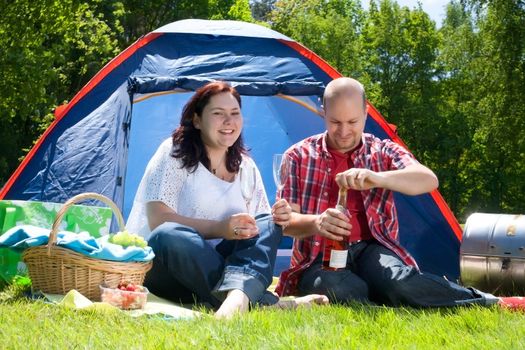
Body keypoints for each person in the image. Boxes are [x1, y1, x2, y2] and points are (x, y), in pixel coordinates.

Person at [275, 77, 525, 310]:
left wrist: (377, 178)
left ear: (365, 113)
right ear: (323, 112)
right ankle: (381, 294)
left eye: (352, 122)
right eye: (335, 122)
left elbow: (428, 180)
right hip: (319, 256)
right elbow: (286, 224)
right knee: (336, 287)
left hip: (372, 249)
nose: (343, 132)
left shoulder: (381, 150)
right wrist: (317, 223)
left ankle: (490, 302)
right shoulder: (298, 155)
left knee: (400, 281)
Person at [127, 81, 327, 319]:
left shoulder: (246, 167)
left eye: (234, 114)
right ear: (197, 120)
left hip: (225, 267)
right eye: (218, 114)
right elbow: (158, 220)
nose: (229, 121)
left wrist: (279, 219)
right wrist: (221, 228)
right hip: (171, 267)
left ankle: (236, 301)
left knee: (266, 222)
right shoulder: (174, 153)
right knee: (169, 234)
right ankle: (261, 301)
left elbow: (259, 231)